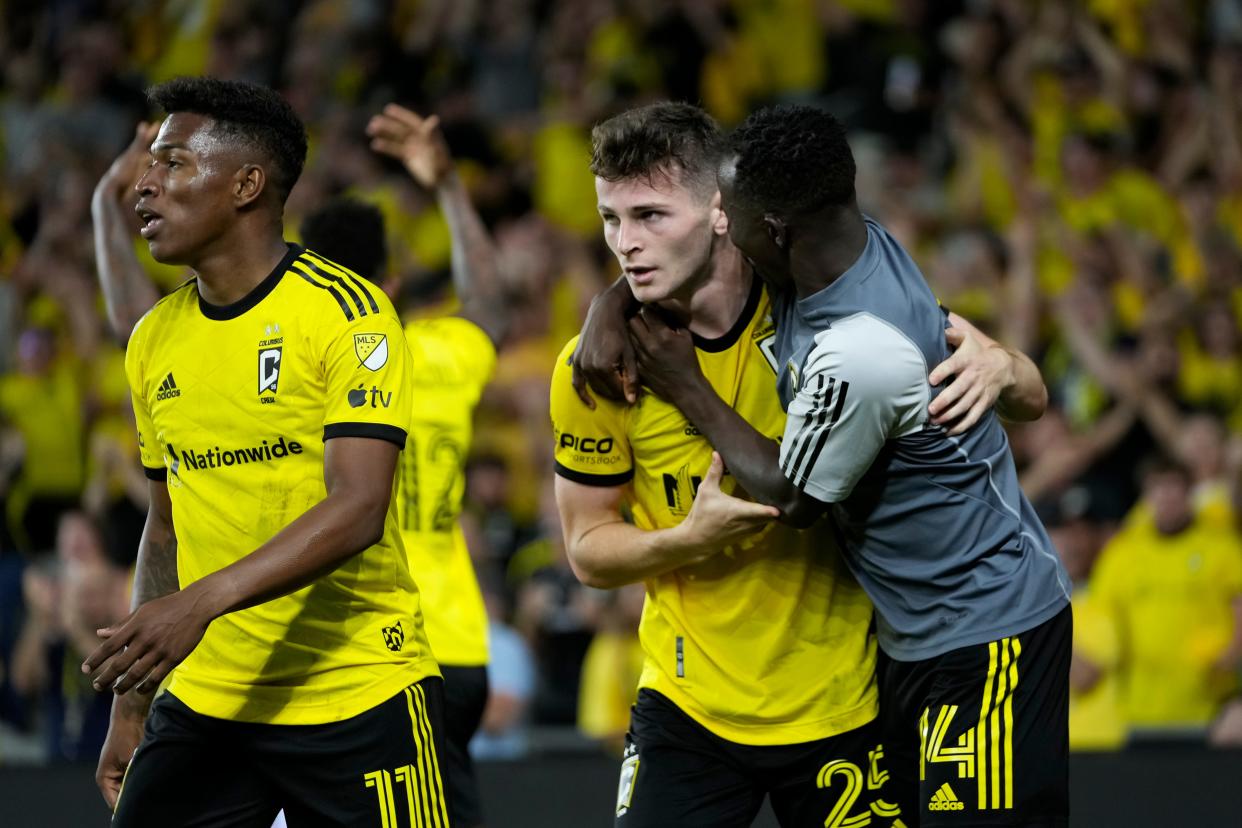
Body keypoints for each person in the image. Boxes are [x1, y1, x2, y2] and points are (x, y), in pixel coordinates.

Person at [559, 102, 1044, 827]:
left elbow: (1025, 392)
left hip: (845, 702)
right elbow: (589, 550)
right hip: (689, 707)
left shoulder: (820, 312)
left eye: (651, 217)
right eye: (610, 220)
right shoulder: (598, 367)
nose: (625, 244)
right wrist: (684, 541)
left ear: (723, 212)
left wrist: (1002, 365)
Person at [94, 97, 512, 827]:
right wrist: (132, 706)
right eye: (148, 164)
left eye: (174, 162)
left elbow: (357, 508)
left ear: (246, 185)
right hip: (209, 697)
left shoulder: (348, 314)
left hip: (359, 691)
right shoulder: (152, 340)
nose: (145, 184)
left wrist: (198, 603)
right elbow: (164, 531)